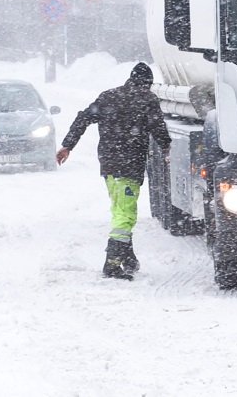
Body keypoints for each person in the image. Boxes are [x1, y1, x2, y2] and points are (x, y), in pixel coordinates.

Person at [56, 63, 171, 281]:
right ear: (148, 83)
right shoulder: (147, 99)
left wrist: (67, 145)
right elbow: (158, 128)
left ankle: (128, 258)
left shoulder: (108, 96)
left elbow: (83, 118)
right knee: (125, 215)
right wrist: (166, 145)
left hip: (108, 164)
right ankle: (112, 264)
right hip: (129, 164)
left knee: (119, 209)